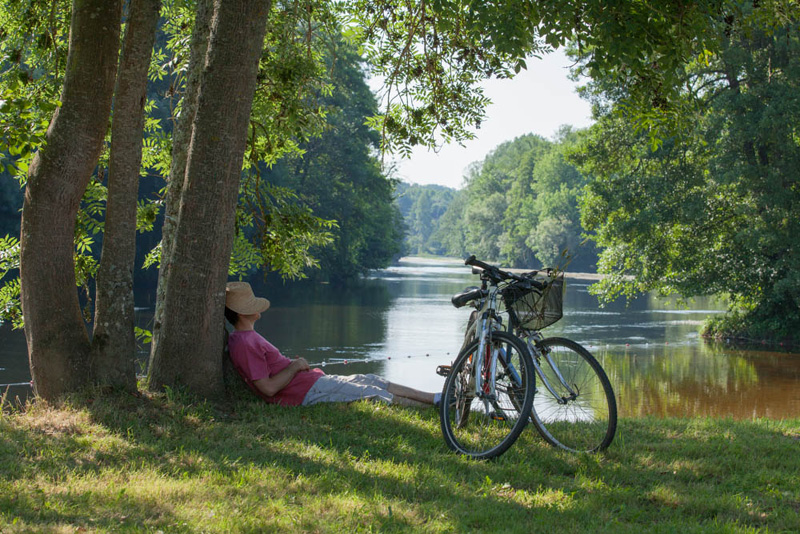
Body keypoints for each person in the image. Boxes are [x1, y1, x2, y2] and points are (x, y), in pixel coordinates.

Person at [224, 282, 439, 407]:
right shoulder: (244, 342)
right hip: (305, 391)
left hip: (310, 381)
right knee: (372, 393)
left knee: (372, 379)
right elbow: (268, 389)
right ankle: (436, 409)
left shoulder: (245, 338)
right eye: (251, 304)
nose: (257, 307)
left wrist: (295, 366)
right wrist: (295, 366)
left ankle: (436, 398)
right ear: (242, 312)